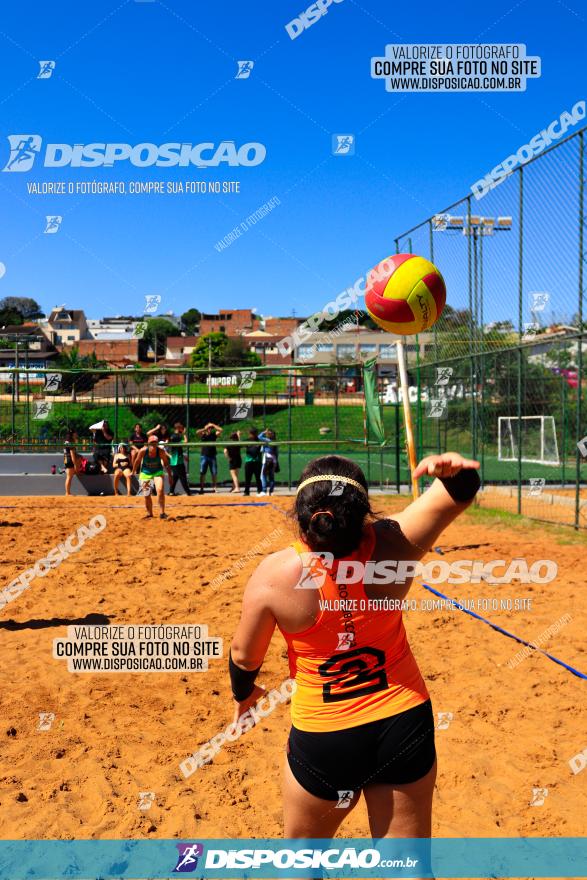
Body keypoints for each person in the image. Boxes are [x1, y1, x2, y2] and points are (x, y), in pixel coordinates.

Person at [229, 451, 480, 859]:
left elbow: (243, 656)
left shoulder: (274, 575)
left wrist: (245, 695)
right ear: (363, 514)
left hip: (325, 735)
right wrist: (456, 472)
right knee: (406, 867)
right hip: (402, 722)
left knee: (300, 863)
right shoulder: (392, 543)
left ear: (301, 515)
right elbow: (457, 493)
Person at [132, 435, 172, 519]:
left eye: (155, 443)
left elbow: (166, 463)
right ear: (148, 444)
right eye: (151, 443)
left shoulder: (161, 451)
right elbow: (137, 461)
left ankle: (162, 513)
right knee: (146, 494)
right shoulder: (143, 451)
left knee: (160, 490)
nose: (153, 445)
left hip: (157, 472)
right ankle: (149, 513)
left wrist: (170, 476)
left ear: (157, 444)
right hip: (145, 472)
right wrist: (133, 471)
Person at [196, 422, 222, 494]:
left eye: (210, 428)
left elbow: (221, 430)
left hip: (212, 456)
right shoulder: (203, 434)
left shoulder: (214, 435)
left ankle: (215, 487)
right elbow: (197, 432)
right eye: (208, 428)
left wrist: (213, 425)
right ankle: (201, 488)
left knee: (214, 473)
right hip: (204, 456)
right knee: (202, 473)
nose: (209, 429)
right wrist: (205, 428)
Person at [169, 422, 192, 496]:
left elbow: (178, 449)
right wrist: (184, 433)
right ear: (178, 428)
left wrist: (183, 456)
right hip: (177, 461)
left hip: (175, 460)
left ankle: (171, 492)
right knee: (183, 477)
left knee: (175, 477)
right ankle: (188, 493)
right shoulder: (176, 436)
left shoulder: (172, 436)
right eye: (181, 428)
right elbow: (186, 442)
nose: (182, 430)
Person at [259, 428, 279, 496]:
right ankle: (271, 492)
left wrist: (264, 432)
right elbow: (277, 453)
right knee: (271, 476)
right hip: (273, 461)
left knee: (263, 475)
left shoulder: (268, 440)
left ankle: (264, 491)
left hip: (267, 460)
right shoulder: (275, 442)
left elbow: (259, 437)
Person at [243, 428, 262, 496]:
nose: (250, 435)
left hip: (257, 461)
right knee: (247, 478)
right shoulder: (247, 441)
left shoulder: (259, 441)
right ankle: (246, 492)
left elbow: (255, 452)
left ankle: (260, 491)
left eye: (251, 434)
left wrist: (249, 449)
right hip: (248, 461)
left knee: (258, 478)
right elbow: (240, 444)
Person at [63, 430, 80, 496]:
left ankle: (68, 492)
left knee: (69, 477)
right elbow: (72, 454)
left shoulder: (67, 441)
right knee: (69, 477)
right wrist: (75, 464)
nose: (76, 435)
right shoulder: (70, 442)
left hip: (66, 459)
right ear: (72, 435)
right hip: (69, 460)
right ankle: (67, 493)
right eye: (75, 434)